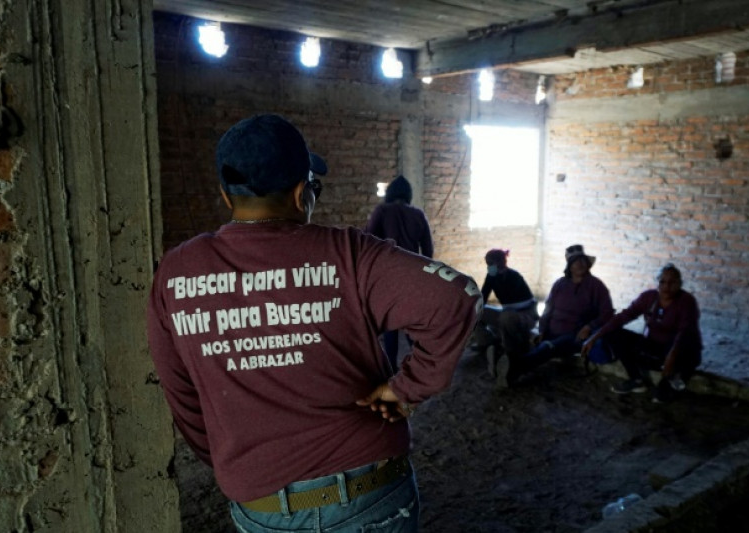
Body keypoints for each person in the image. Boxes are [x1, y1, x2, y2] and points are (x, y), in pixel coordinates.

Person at [146, 114, 482, 533]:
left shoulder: (175, 273)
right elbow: (459, 297)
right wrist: (406, 389)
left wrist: (240, 463)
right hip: (368, 494)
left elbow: (182, 397)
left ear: (225, 194)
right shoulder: (348, 255)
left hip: (262, 508)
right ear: (303, 192)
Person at [581, 263, 702, 402]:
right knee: (613, 334)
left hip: (677, 349)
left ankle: (672, 378)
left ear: (680, 283)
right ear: (657, 283)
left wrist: (672, 356)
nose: (666, 286)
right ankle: (636, 379)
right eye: (662, 282)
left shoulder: (686, 302)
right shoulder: (649, 298)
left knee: (665, 392)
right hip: (654, 347)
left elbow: (685, 332)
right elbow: (623, 317)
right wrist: (594, 337)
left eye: (672, 282)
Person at [496, 244, 613, 387]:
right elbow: (548, 309)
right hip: (552, 331)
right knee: (531, 339)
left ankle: (512, 369)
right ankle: (508, 366)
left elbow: (608, 313)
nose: (580, 264)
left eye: (583, 260)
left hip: (575, 334)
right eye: (576, 261)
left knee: (548, 347)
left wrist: (590, 326)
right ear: (569, 266)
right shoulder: (560, 284)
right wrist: (542, 330)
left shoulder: (596, 286)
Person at [365, 175, 434, 371]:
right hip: (413, 275)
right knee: (412, 323)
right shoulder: (418, 214)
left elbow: (368, 240)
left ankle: (392, 369)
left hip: (387, 276)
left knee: (390, 325)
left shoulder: (382, 211)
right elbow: (428, 251)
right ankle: (421, 366)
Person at [472, 249, 538, 385]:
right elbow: (483, 296)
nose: (488, 266)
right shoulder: (492, 276)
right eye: (487, 263)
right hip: (508, 313)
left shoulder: (514, 276)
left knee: (506, 318)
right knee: (476, 313)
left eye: (490, 263)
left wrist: (497, 278)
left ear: (501, 262)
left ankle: (510, 354)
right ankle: (487, 343)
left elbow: (520, 303)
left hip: (526, 315)